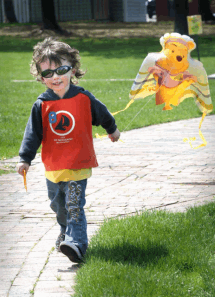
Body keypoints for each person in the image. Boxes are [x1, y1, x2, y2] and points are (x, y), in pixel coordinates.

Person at [17, 37, 120, 263]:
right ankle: (66, 233)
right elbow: (32, 133)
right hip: (53, 167)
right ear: (41, 77)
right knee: (58, 206)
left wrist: (112, 129)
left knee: (74, 206)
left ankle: (77, 246)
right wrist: (25, 158)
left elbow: (102, 113)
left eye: (61, 70)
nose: (55, 77)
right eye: (47, 74)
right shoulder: (42, 104)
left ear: (72, 69)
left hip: (78, 164)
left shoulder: (83, 98)